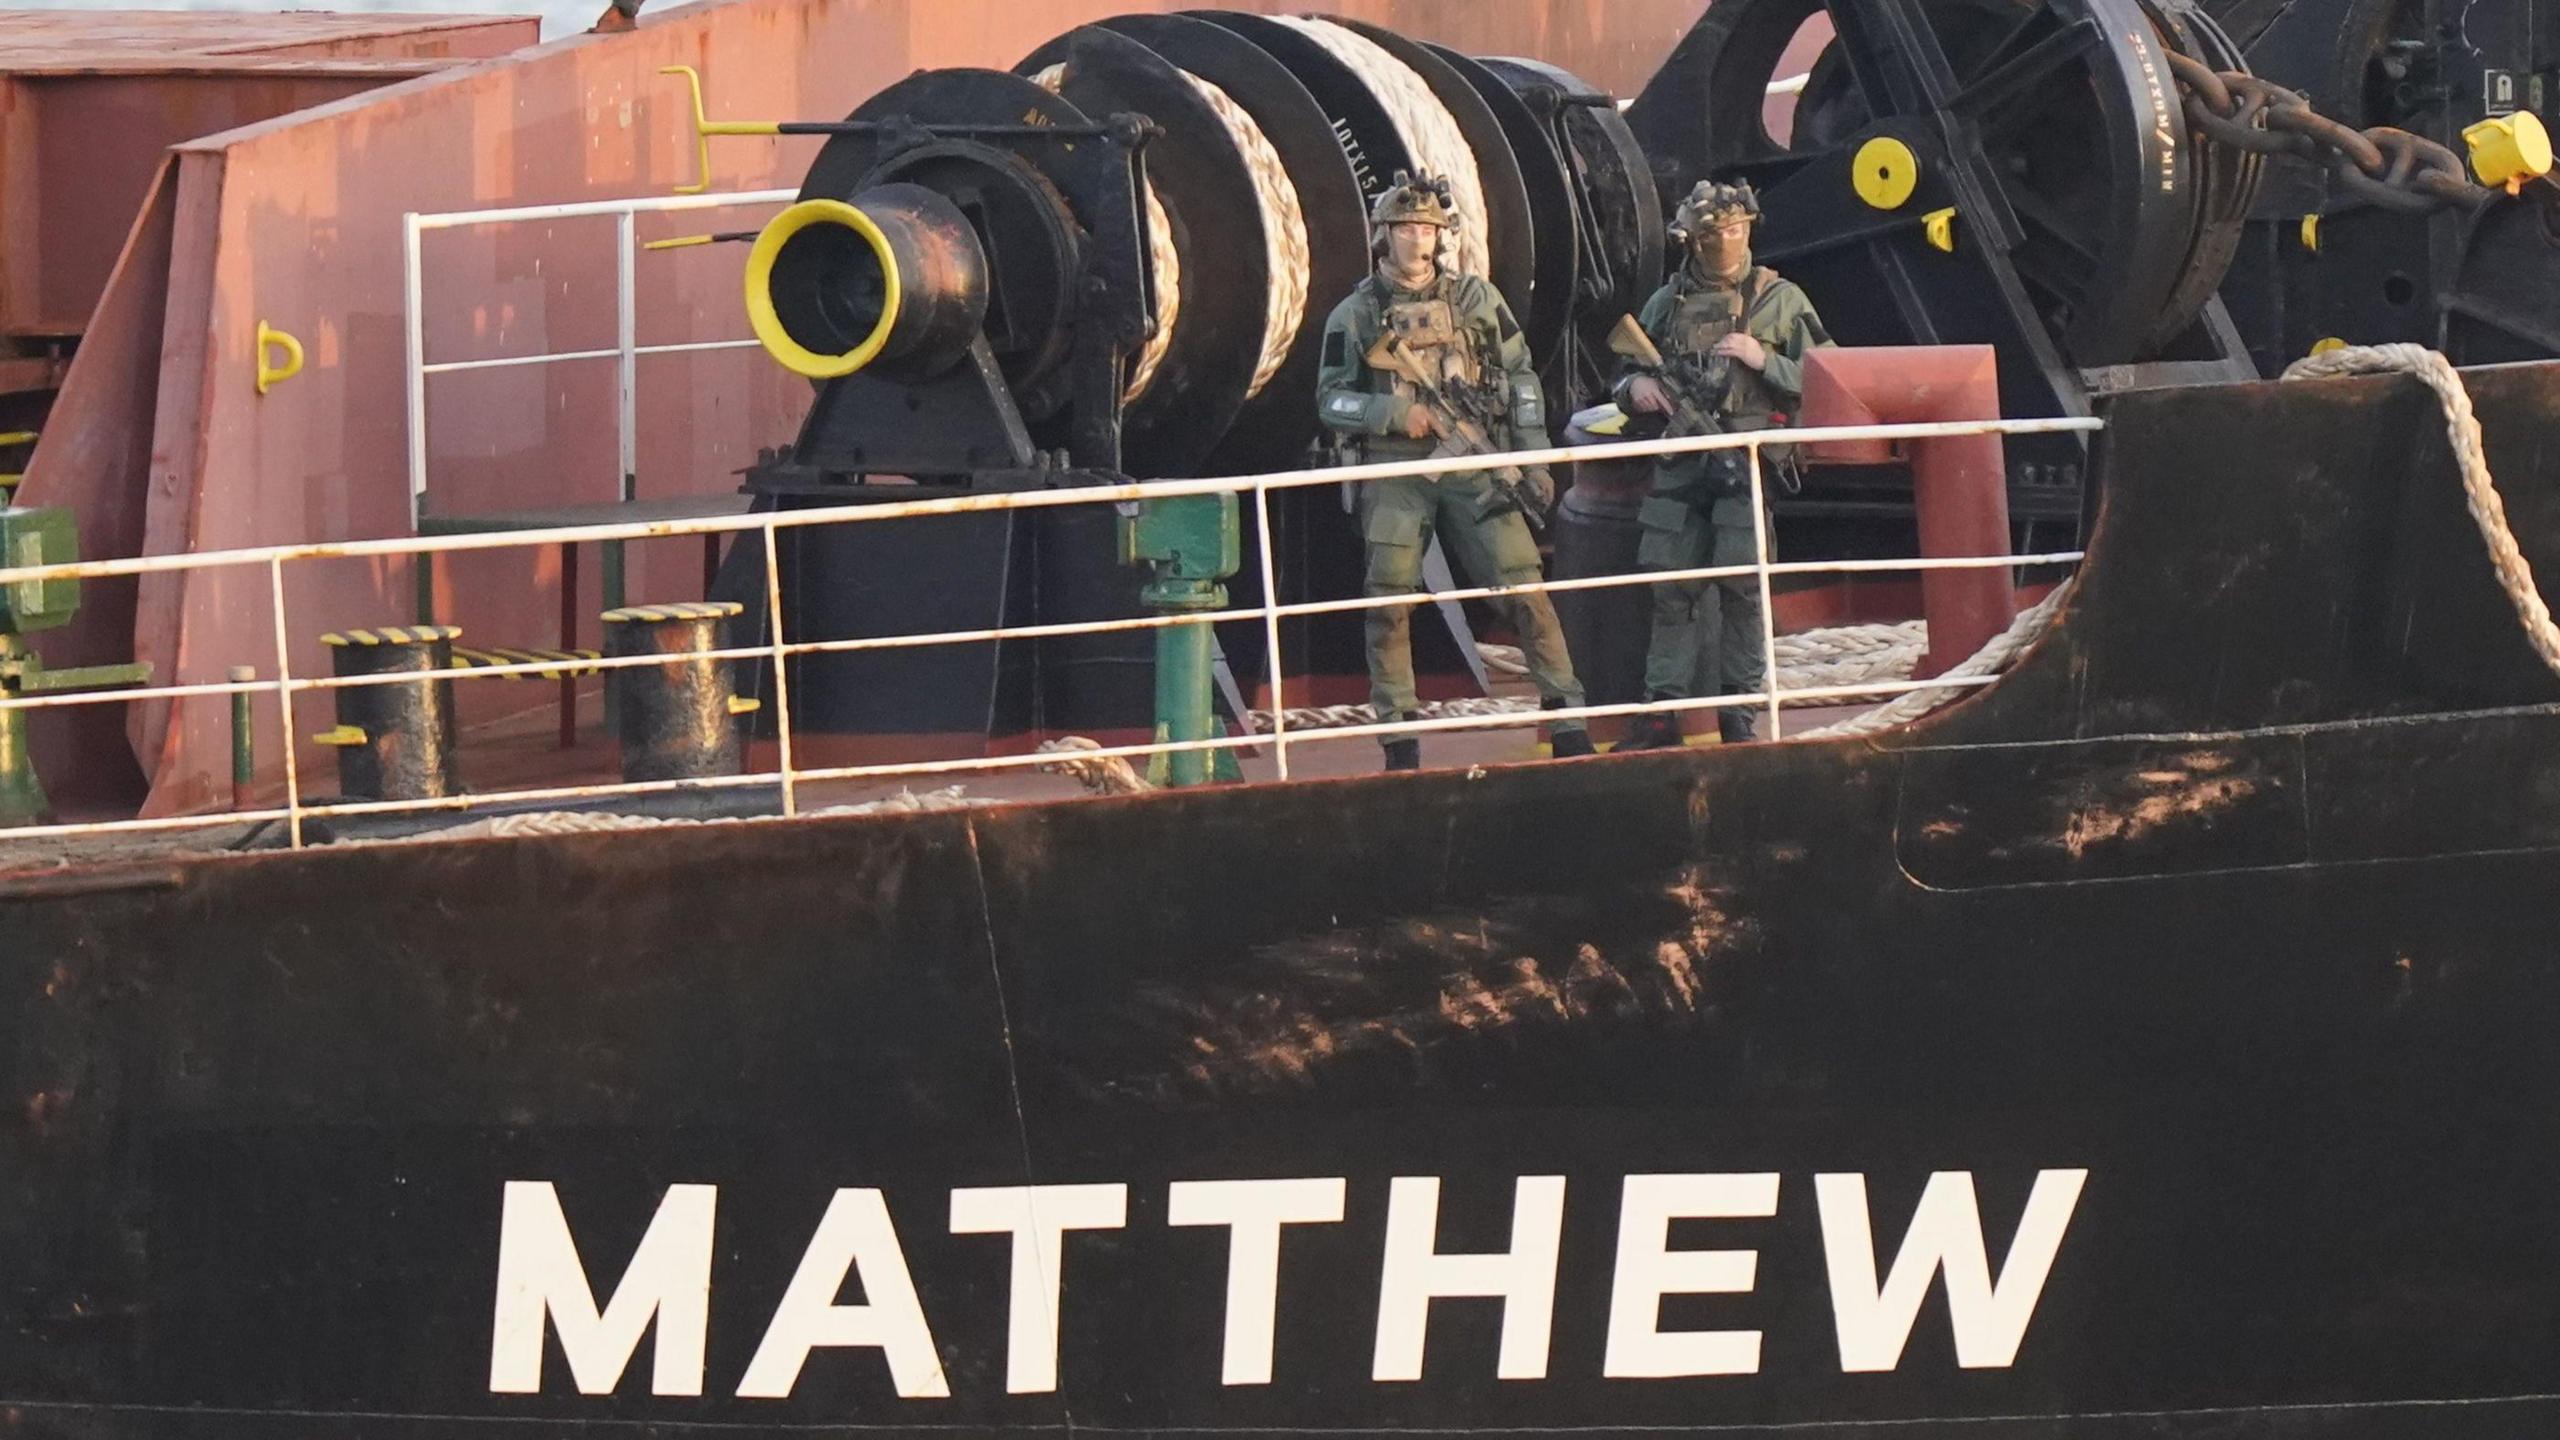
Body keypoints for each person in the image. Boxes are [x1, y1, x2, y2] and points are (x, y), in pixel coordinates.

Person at [1314, 171, 1594, 771]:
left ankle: (1567, 716)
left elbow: (1519, 374)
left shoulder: (1475, 300)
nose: (1419, 240)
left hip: (1475, 465)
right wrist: (1396, 412)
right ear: (1383, 236)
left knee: (1524, 587)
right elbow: (1331, 401)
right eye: (1407, 229)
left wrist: (1529, 452)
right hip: (1395, 472)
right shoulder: (1356, 313)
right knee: (1389, 600)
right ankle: (1399, 737)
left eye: (1428, 230)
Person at [1615, 180, 1831, 747]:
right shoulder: (1669, 303)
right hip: (1683, 460)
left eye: (1737, 231)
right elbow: (1619, 370)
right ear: (1694, 240)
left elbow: (1829, 378)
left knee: (1743, 589)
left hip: (1746, 459)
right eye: (1716, 234)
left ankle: (1739, 714)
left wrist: (1767, 362)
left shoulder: (1780, 300)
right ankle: (1662, 712)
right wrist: (1635, 384)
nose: (1729, 242)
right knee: (1672, 587)